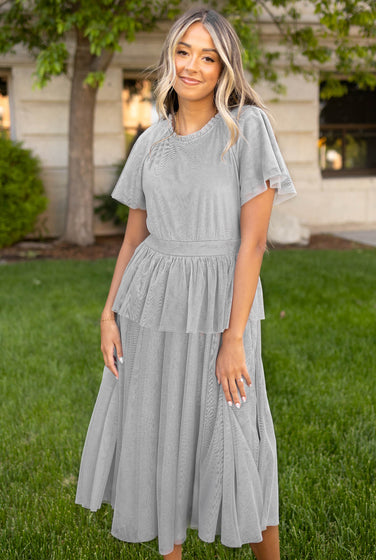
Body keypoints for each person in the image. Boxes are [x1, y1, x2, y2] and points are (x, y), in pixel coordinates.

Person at [75, 7, 297, 560]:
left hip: (223, 305)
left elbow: (251, 243)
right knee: (158, 437)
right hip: (149, 305)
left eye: (209, 56)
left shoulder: (247, 130)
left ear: (226, 68)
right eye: (183, 51)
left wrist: (234, 336)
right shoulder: (150, 142)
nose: (193, 66)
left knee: (237, 434)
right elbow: (132, 239)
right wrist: (108, 314)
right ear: (169, 56)